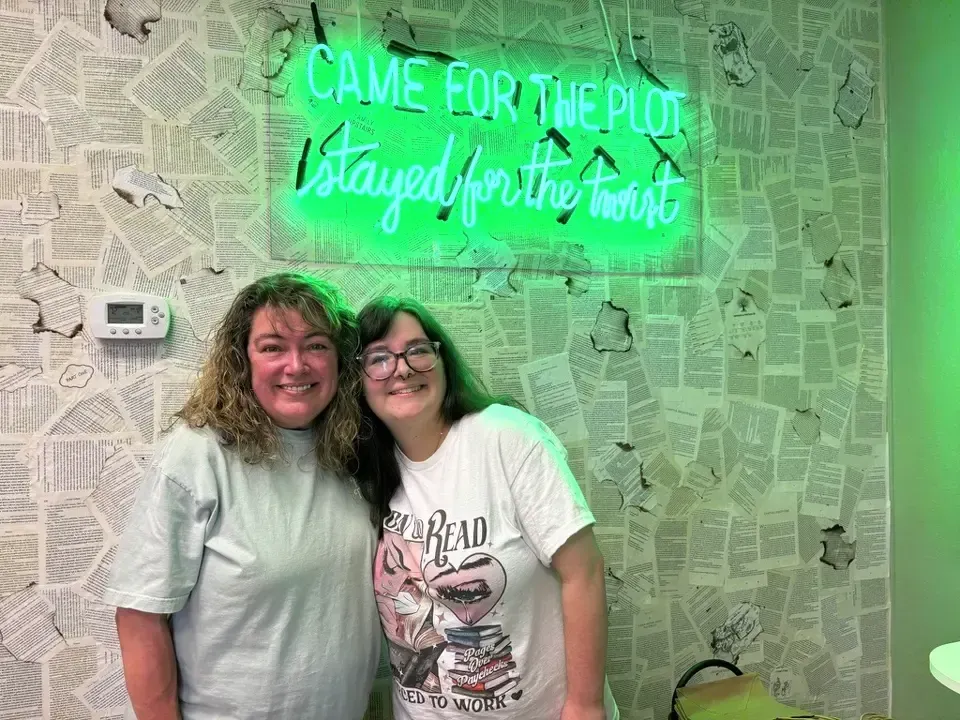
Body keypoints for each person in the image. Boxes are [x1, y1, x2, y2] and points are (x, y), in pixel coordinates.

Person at [103, 272, 381, 720]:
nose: (296, 365)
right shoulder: (199, 455)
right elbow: (140, 614)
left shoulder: (354, 453)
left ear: (340, 360)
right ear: (243, 359)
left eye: (316, 345)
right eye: (273, 347)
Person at [355, 296, 619, 720]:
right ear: (359, 379)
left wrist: (585, 707)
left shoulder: (506, 438)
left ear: (443, 362)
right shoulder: (366, 474)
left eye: (418, 350)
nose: (402, 368)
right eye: (379, 358)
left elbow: (583, 572)